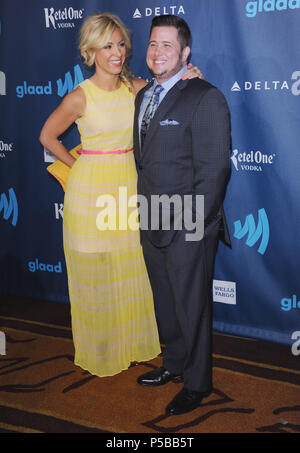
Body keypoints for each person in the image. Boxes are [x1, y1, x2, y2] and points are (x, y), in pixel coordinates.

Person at [40, 12, 202, 378]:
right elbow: (47, 136)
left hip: (130, 192)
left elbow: (174, 93)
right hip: (89, 195)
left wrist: (190, 77)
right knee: (95, 275)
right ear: (90, 51)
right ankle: (102, 352)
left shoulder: (138, 87)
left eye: (120, 43)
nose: (116, 52)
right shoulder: (80, 97)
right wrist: (77, 165)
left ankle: (135, 346)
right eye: (106, 46)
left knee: (133, 271)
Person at [134, 15, 231, 415]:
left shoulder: (205, 96)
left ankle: (197, 384)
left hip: (189, 224)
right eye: (153, 44)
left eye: (168, 46)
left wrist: (192, 225)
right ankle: (173, 364)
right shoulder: (144, 95)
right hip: (150, 218)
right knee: (166, 303)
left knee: (192, 307)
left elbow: (214, 171)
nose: (158, 52)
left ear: (185, 52)